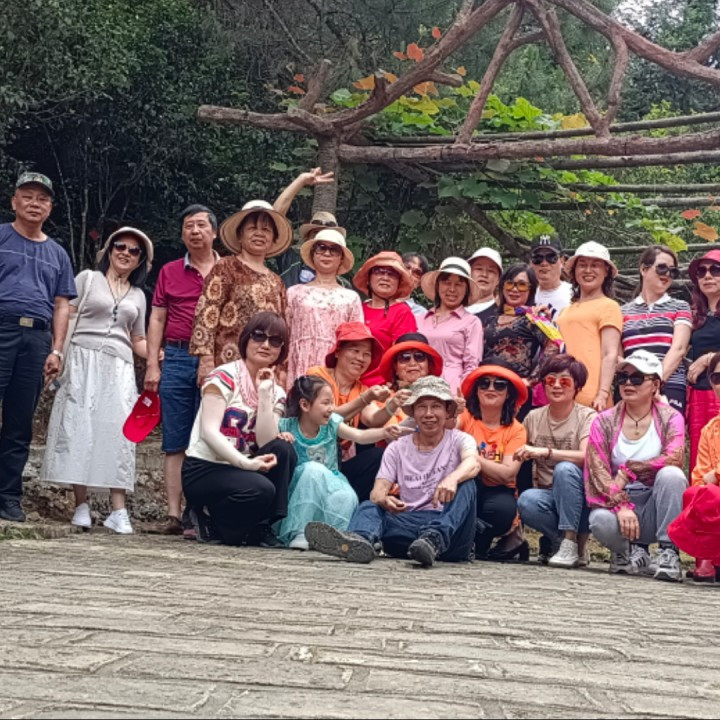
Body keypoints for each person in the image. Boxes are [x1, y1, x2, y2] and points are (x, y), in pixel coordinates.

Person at [41, 227, 153, 534]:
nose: (126, 253)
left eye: (134, 251)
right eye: (120, 246)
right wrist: (57, 352)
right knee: (78, 427)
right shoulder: (88, 279)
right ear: (109, 249)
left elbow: (138, 339)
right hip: (81, 359)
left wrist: (157, 356)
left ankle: (118, 509)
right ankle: (81, 505)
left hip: (119, 366)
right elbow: (65, 315)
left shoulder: (138, 295)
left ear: (140, 260)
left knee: (118, 432)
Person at [305, 376, 480, 568]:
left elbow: (473, 463)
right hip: (411, 528)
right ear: (413, 412)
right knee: (369, 506)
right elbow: (377, 492)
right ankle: (358, 542)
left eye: (436, 406)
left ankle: (434, 539)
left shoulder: (460, 440)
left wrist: (453, 478)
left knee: (467, 483)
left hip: (451, 530)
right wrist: (384, 500)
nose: (428, 413)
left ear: (447, 411)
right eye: (422, 407)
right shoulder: (397, 447)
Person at [181, 312, 296, 547]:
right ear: (246, 339)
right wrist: (246, 464)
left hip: (240, 471)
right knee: (261, 489)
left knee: (283, 450)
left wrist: (264, 395)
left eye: (275, 341)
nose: (266, 345)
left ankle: (260, 527)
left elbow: (266, 441)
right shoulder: (223, 376)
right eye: (259, 336)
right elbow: (209, 432)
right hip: (205, 467)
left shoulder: (276, 391)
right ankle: (206, 513)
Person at [0, 173, 76, 522]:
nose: (34, 203)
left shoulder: (57, 253)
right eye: (27, 196)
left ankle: (8, 497)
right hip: (2, 327)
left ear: (50, 207)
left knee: (20, 421)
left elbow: (62, 304)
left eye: (42, 199)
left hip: (37, 339)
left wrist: (57, 350)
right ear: (14, 201)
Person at [144, 205, 220, 535]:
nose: (195, 231)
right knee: (175, 438)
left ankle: (200, 513)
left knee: (209, 437)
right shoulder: (170, 271)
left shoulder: (227, 270)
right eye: (189, 226)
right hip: (175, 356)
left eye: (202, 225)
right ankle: (174, 516)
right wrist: (152, 364)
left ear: (214, 232)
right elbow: (157, 317)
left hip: (216, 361)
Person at [585, 350, 687, 582]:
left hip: (654, 503)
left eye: (637, 378)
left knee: (672, 475)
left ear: (655, 385)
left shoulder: (671, 417)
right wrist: (621, 504)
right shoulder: (603, 420)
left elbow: (674, 457)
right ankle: (624, 552)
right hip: (618, 503)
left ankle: (668, 551)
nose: (628, 383)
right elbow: (596, 471)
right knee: (599, 520)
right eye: (622, 378)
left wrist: (629, 470)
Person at [274, 375, 407, 550]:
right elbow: (265, 438)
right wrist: (280, 436)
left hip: (331, 480)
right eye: (326, 403)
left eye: (332, 402)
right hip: (301, 485)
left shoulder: (331, 424)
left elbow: (359, 436)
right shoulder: (287, 426)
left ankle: (332, 538)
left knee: (346, 496)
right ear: (305, 405)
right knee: (312, 469)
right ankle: (300, 532)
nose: (331, 408)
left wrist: (384, 432)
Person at [190, 200, 292, 385]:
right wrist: (205, 361)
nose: (259, 233)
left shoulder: (277, 281)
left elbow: (283, 328)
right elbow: (207, 314)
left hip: (265, 370)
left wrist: (282, 369)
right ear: (240, 235)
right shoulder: (226, 267)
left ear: (273, 239)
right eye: (252, 228)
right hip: (227, 362)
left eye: (266, 230)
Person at [515, 354, 596, 568]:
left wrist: (545, 452)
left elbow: (586, 456)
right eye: (550, 380)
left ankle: (570, 540)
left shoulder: (588, 416)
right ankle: (570, 544)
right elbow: (518, 452)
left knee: (565, 469)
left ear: (577, 386)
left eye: (565, 381)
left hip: (582, 497)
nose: (557, 386)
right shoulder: (533, 417)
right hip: (548, 498)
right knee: (526, 501)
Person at [307, 322, 391, 502]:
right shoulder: (317, 375)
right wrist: (365, 399)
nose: (361, 358)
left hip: (337, 464)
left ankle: (351, 510)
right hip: (308, 459)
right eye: (355, 350)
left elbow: (373, 419)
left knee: (377, 456)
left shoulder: (362, 389)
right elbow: (325, 417)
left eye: (367, 354)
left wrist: (393, 405)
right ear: (338, 352)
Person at [458, 362, 528, 561]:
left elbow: (507, 473)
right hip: (465, 482)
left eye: (499, 385)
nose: (491, 389)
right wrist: (451, 411)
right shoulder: (465, 417)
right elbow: (446, 429)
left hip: (498, 490)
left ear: (508, 393)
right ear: (476, 390)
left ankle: (479, 543)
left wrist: (473, 457)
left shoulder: (516, 429)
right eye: (484, 383)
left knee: (502, 510)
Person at [482, 262, 561, 420]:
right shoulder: (491, 319)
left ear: (531, 290)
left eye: (522, 285)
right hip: (489, 387)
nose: (514, 289)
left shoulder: (534, 318)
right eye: (510, 283)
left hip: (516, 391)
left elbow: (554, 345)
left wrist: (532, 380)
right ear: (502, 286)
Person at [286, 228, 362, 386]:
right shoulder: (294, 292)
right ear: (313, 254)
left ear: (341, 258)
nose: (327, 254)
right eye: (321, 248)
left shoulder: (351, 298)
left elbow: (356, 342)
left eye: (334, 250)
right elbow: (285, 334)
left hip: (334, 366)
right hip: (298, 361)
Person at [621, 245, 691, 414]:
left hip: (670, 384)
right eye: (661, 268)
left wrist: (655, 383)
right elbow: (618, 355)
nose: (667, 274)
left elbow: (679, 349)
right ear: (643, 269)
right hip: (631, 386)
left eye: (672, 271)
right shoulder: (622, 312)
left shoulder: (680, 306)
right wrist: (637, 382)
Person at [670, 352, 720, 583]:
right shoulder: (711, 429)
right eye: (717, 378)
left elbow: (712, 475)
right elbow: (701, 477)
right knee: (696, 494)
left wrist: (717, 474)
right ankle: (711, 557)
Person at [556, 242, 622, 411]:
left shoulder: (609, 306)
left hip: (593, 400)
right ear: (574, 271)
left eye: (595, 265)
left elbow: (610, 353)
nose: (588, 270)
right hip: (561, 395)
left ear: (606, 271)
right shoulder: (565, 311)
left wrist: (603, 393)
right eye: (582, 265)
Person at [417, 257, 484, 393]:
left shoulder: (471, 322)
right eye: (447, 283)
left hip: (451, 388)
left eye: (459, 284)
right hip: (418, 387)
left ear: (466, 290)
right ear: (438, 285)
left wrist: (461, 393)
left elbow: (472, 365)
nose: (452, 289)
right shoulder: (419, 319)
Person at [352, 251, 417, 384]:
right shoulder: (357, 308)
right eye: (379, 272)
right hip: (348, 382)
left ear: (399, 283)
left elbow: (403, 355)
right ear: (369, 278)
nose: (385, 278)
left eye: (392, 274)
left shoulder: (402, 312)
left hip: (382, 385)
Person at [271, 168, 339, 288]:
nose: (321, 240)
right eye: (316, 233)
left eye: (327, 235)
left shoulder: (342, 286)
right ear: (307, 239)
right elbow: (274, 220)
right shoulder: (291, 261)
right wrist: (301, 180)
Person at [365, 332, 444, 427]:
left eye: (419, 356)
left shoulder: (443, 396)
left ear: (429, 365)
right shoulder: (382, 397)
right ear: (395, 367)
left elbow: (454, 425)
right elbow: (385, 430)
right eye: (404, 357)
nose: (412, 363)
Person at [687, 249, 720, 472]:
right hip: (698, 395)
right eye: (702, 271)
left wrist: (709, 359)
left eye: (715, 270)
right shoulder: (694, 315)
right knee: (701, 461)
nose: (707, 276)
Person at [530, 235, 573, 314]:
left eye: (551, 257)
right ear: (531, 263)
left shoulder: (575, 295)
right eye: (538, 258)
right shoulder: (523, 294)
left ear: (562, 261)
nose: (544, 263)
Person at [466, 248, 503, 323]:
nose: (484, 274)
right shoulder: (452, 307)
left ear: (499, 279)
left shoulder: (501, 313)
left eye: (491, 271)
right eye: (479, 269)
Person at [401, 252, 429, 318]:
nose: (409, 274)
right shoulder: (378, 304)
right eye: (406, 268)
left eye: (417, 272)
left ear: (419, 283)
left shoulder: (421, 315)